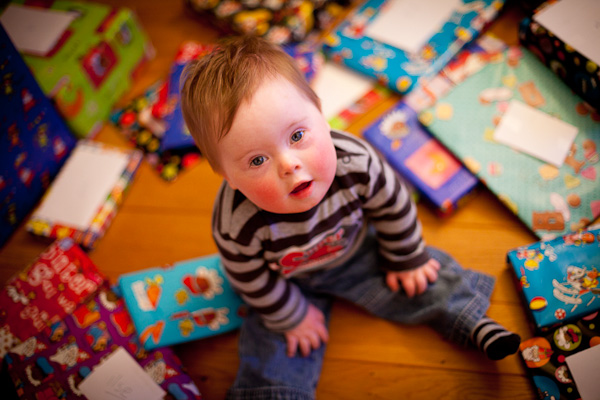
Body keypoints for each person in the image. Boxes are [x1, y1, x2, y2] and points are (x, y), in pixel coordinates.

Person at [180, 35, 520, 399]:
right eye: (257, 160)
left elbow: (394, 206)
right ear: (227, 175)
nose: (288, 164)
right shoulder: (236, 222)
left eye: (297, 135)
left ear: (322, 115)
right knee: (275, 338)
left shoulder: (356, 161)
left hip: (356, 250)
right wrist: (290, 314)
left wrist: (405, 257)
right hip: (287, 283)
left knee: (422, 273)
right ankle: (273, 391)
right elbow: (249, 277)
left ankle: (471, 320)